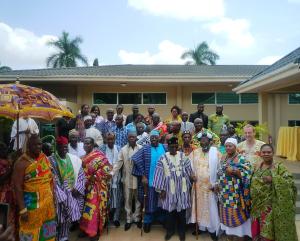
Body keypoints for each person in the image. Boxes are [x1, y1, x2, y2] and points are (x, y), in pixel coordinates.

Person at [13, 134, 56, 241]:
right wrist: (23, 210)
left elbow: (50, 178)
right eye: (35, 145)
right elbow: (17, 187)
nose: (38, 147)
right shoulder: (21, 163)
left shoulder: (44, 158)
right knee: (29, 231)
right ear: (28, 146)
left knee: (47, 232)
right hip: (31, 205)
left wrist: (53, 198)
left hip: (47, 205)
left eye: (40, 144)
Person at [250, 144, 297, 241]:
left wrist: (274, 179)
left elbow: (290, 183)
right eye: (264, 152)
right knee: (258, 234)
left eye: (269, 152)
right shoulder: (257, 166)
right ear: (260, 154)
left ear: (273, 153)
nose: (266, 154)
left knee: (268, 234)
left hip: (272, 208)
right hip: (256, 207)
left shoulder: (279, 167)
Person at [153, 137, 192, 241]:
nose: (174, 149)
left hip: (182, 189)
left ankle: (182, 232)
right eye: (171, 147)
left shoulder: (183, 156)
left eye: (175, 147)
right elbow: (158, 174)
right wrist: (160, 190)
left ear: (178, 146)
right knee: (170, 213)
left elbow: (189, 169)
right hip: (169, 189)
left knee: (182, 213)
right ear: (168, 147)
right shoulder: (163, 158)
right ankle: (170, 231)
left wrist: (192, 176)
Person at [49, 136, 85, 241]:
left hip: (73, 193)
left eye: (65, 147)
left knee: (66, 219)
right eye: (61, 147)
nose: (64, 149)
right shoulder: (50, 160)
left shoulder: (74, 159)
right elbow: (51, 179)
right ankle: (54, 237)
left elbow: (81, 175)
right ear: (57, 147)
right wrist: (62, 195)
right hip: (58, 195)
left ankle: (64, 237)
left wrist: (76, 188)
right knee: (57, 218)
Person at [217, 138, 252, 240]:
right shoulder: (223, 158)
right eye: (226, 146)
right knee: (227, 220)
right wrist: (216, 184)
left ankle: (240, 238)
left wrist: (235, 172)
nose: (228, 148)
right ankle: (230, 238)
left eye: (230, 146)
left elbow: (248, 172)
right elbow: (219, 172)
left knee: (238, 221)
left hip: (236, 195)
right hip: (224, 194)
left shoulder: (241, 158)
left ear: (235, 147)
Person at [132, 130, 167, 233]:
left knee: (162, 201)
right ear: (150, 139)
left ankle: (162, 219)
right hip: (150, 181)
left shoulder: (165, 147)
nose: (154, 139)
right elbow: (136, 160)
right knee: (149, 201)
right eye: (152, 138)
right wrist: (143, 176)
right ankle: (147, 221)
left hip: (163, 182)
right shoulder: (145, 148)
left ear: (159, 138)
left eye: (155, 137)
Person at [189, 133, 221, 240]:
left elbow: (220, 170)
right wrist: (192, 175)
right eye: (201, 141)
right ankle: (201, 227)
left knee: (210, 208)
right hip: (198, 186)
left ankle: (212, 229)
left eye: (206, 140)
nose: (204, 143)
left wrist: (216, 184)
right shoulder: (194, 153)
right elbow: (189, 167)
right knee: (199, 207)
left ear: (210, 141)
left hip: (210, 187)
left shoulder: (216, 153)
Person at [79, 137, 112, 240]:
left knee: (95, 209)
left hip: (98, 187)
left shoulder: (100, 156)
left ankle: (95, 231)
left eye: (88, 143)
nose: (86, 145)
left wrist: (95, 176)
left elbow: (108, 170)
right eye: (84, 143)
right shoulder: (82, 158)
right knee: (86, 209)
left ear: (93, 145)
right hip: (86, 187)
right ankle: (85, 229)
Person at [111, 131, 142, 231]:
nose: (132, 138)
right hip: (127, 179)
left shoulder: (141, 148)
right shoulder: (123, 150)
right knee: (127, 200)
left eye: (133, 136)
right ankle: (129, 220)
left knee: (138, 200)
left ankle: (137, 218)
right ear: (127, 138)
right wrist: (111, 173)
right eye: (130, 137)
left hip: (138, 180)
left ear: (136, 138)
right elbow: (118, 163)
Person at [99, 132, 122, 227]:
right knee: (106, 198)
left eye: (112, 139)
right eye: (108, 139)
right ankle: (106, 218)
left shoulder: (119, 148)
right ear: (105, 139)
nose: (110, 141)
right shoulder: (102, 149)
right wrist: (107, 171)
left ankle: (116, 218)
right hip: (105, 177)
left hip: (117, 177)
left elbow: (120, 162)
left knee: (117, 198)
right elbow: (100, 162)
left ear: (115, 139)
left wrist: (113, 170)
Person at [0, 142, 16, 239]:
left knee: (12, 218)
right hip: (2, 194)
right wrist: (10, 170)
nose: (4, 151)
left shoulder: (9, 160)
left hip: (11, 192)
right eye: (2, 150)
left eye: (5, 149)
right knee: (4, 219)